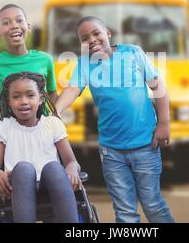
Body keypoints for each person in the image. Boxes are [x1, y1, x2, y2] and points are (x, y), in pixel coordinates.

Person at [55, 16, 175, 223]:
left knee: (153, 204)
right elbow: (73, 89)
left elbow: (158, 87)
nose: (91, 40)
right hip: (112, 153)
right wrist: (55, 111)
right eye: (84, 38)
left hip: (146, 146)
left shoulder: (133, 53)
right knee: (125, 212)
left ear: (108, 33)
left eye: (96, 33)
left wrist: (164, 123)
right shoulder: (85, 64)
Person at [0, 71, 82, 223]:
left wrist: (71, 168)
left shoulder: (52, 123)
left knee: (54, 167)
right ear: (8, 101)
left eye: (30, 95)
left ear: (41, 99)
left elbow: (71, 161)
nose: (23, 101)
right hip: (17, 187)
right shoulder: (3, 127)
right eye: (16, 96)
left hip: (51, 186)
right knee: (24, 168)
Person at [0, 3, 58, 118]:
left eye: (19, 20)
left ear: (28, 26)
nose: (14, 26)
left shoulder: (45, 59)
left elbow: (52, 93)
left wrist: (54, 117)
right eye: (6, 23)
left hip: (41, 129)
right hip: (9, 132)